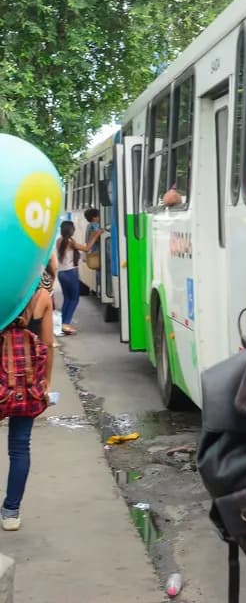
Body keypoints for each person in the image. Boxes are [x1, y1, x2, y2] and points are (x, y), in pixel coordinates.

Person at [1, 284, 54, 530]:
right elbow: (48, 344)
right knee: (20, 446)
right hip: (27, 386)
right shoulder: (41, 296)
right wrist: (47, 381)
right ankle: (11, 512)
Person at [55, 220, 100, 335]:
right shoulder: (70, 241)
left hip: (61, 273)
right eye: (73, 228)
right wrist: (95, 236)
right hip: (71, 273)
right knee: (74, 299)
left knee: (67, 298)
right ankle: (66, 324)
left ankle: (63, 323)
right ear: (70, 230)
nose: (74, 230)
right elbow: (86, 248)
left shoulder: (59, 240)